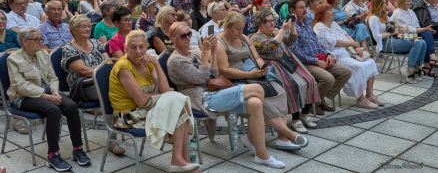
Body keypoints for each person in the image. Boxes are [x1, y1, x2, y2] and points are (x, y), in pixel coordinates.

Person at [167, 22, 286, 169]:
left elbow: (215, 73)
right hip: (200, 99)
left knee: (255, 103)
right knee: (257, 88)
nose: (187, 37)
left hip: (214, 92)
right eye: (183, 35)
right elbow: (201, 78)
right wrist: (205, 53)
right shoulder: (175, 60)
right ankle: (251, 138)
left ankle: (261, 155)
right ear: (172, 38)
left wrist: (214, 51)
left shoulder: (193, 52)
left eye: (189, 34)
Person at [108, 29, 199, 172]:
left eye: (141, 47)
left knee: (181, 108)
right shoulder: (123, 67)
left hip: (146, 109)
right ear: (126, 48)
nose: (138, 51)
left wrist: (156, 64)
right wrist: (163, 96)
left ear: (146, 47)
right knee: (178, 106)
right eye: (133, 47)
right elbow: (141, 101)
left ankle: (182, 161)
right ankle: (180, 161)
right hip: (128, 116)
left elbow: (164, 89)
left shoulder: (148, 62)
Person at [216, 12, 309, 150]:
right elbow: (225, 70)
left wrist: (262, 67)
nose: (241, 32)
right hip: (236, 79)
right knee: (263, 101)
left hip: (253, 73)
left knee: (280, 91)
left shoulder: (244, 38)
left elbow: (257, 58)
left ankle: (277, 138)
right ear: (227, 27)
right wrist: (249, 74)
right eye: (238, 29)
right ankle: (288, 134)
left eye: (242, 28)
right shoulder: (220, 44)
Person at [7, 27, 90, 171]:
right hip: (23, 97)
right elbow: (20, 86)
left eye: (41, 39)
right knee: (53, 110)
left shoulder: (43, 54)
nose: (41, 42)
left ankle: (77, 148)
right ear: (24, 41)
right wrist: (46, 96)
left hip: (48, 92)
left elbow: (52, 76)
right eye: (37, 39)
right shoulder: (13, 59)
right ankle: (53, 155)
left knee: (71, 106)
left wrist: (55, 92)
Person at [250, 9, 320, 132]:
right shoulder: (255, 37)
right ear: (261, 23)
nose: (273, 23)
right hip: (273, 67)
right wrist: (282, 30)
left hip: (286, 63)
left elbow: (291, 40)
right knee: (293, 86)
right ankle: (295, 119)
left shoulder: (274, 32)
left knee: (310, 80)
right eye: (269, 21)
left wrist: (292, 26)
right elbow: (270, 46)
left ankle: (304, 114)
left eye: (273, 20)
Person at [288, 0, 352, 114]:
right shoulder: (291, 27)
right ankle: (313, 102)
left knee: (346, 72)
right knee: (328, 79)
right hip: (305, 63)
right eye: (301, 8)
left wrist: (327, 54)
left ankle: (318, 100)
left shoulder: (307, 21)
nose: (304, 10)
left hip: (320, 56)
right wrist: (315, 61)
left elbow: (317, 42)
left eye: (305, 7)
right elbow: (296, 53)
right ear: (292, 10)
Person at [313, 4, 381, 109]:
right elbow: (333, 42)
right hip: (336, 56)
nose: (333, 12)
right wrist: (351, 44)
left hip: (348, 52)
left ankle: (370, 94)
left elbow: (346, 34)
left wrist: (356, 46)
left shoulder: (333, 23)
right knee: (359, 67)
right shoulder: (319, 26)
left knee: (370, 62)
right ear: (323, 14)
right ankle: (360, 99)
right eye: (330, 10)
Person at [367, 0, 427, 84]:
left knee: (423, 42)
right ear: (378, 5)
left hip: (393, 39)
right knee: (417, 43)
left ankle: (416, 67)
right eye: (384, 3)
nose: (386, 5)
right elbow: (377, 37)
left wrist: (398, 29)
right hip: (384, 44)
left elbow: (392, 28)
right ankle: (411, 70)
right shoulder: (373, 18)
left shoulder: (384, 16)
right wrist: (392, 33)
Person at [390, 0, 437, 76]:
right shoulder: (397, 13)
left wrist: (425, 29)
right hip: (404, 36)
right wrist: (425, 29)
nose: (411, 2)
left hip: (414, 33)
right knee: (423, 37)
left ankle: (428, 63)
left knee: (427, 33)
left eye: (411, 0)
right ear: (401, 2)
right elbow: (408, 29)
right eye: (408, 1)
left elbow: (416, 26)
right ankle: (427, 63)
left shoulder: (411, 11)